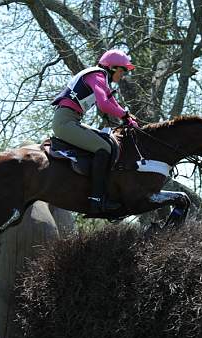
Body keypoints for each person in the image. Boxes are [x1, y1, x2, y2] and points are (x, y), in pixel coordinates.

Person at [51, 49, 139, 214]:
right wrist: (125, 115)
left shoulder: (101, 78)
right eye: (123, 70)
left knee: (108, 142)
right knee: (104, 148)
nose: (124, 74)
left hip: (71, 120)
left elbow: (112, 102)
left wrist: (129, 119)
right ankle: (96, 199)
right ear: (112, 67)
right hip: (65, 122)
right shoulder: (98, 75)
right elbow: (104, 105)